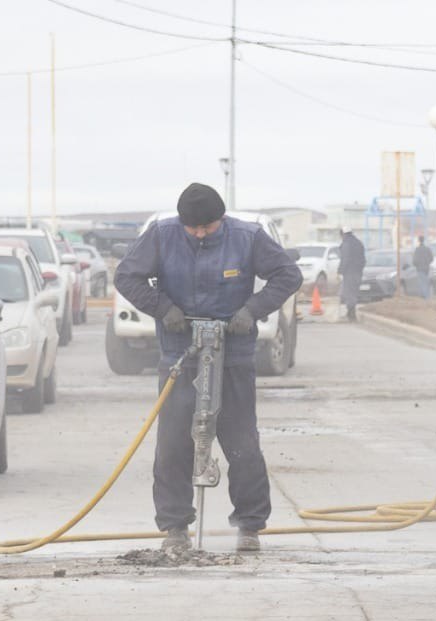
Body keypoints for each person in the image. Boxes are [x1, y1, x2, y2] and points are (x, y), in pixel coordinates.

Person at [115, 183, 301, 553]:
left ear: (222, 219)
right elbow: (127, 277)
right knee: (173, 444)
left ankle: (249, 524)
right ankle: (175, 527)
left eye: (208, 228)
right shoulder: (162, 236)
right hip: (179, 353)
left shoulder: (247, 238)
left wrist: (252, 310)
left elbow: (287, 276)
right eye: (193, 228)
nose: (200, 233)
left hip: (233, 354)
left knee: (242, 442)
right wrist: (163, 308)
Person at [337, 227, 366, 321]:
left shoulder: (347, 244)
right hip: (358, 271)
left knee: (349, 293)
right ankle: (350, 313)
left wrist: (340, 271)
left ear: (343, 234)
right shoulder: (359, 243)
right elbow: (364, 260)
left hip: (349, 272)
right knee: (353, 292)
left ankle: (351, 315)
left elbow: (345, 259)